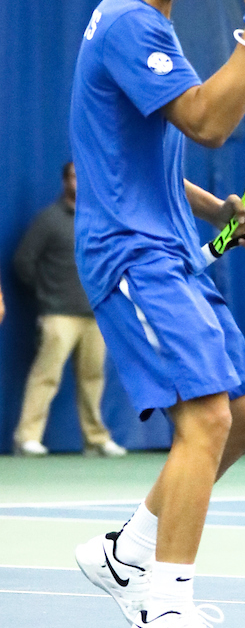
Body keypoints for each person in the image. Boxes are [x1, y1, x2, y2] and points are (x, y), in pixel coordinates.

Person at [70, 0, 245, 628]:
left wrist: (222, 210)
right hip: (132, 255)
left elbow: (152, 150)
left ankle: (129, 551)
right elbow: (205, 120)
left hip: (167, 244)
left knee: (244, 421)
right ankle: (162, 617)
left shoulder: (146, 26)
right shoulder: (129, 23)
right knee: (203, 420)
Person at [12, 162, 127, 458]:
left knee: (93, 379)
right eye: (73, 177)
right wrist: (46, 296)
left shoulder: (99, 221)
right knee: (46, 376)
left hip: (95, 314)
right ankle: (27, 438)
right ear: (64, 181)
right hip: (58, 314)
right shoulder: (48, 220)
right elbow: (23, 262)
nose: (78, 182)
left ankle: (96, 439)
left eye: (82, 177)